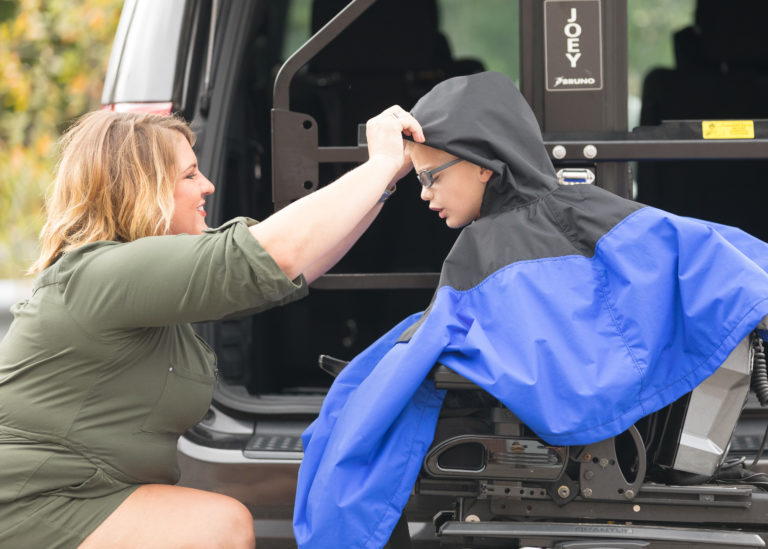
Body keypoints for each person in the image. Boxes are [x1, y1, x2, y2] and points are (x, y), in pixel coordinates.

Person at [293, 71, 768, 548]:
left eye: (429, 176)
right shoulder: (590, 212)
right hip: (613, 439)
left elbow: (435, 344)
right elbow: (724, 259)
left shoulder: (484, 248)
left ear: (482, 164)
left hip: (562, 451)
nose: (423, 193)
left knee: (349, 423)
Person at [0, 105, 424, 548]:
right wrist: (377, 164)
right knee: (217, 526)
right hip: (33, 504)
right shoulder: (103, 274)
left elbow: (297, 266)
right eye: (189, 175)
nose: (208, 185)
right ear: (140, 189)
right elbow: (275, 253)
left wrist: (389, 176)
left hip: (87, 494)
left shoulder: (135, 277)